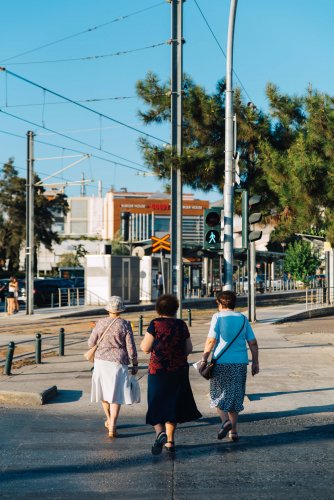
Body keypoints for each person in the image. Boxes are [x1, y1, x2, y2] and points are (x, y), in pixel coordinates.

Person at [140, 294, 201, 455]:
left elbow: (145, 348)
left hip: (158, 371)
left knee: (156, 403)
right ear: (176, 309)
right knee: (172, 405)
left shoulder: (155, 324)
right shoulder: (181, 325)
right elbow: (188, 349)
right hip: (178, 371)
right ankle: (170, 441)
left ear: (158, 309)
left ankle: (160, 433)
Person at [200, 290, 259, 442]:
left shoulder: (217, 317)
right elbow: (252, 342)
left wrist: (204, 358)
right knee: (236, 395)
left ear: (219, 303)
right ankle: (233, 432)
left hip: (221, 362)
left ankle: (225, 421)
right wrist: (255, 362)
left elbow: (211, 340)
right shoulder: (243, 318)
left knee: (217, 394)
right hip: (240, 363)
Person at [88, 296, 138, 438]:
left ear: (108, 309)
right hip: (119, 363)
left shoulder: (100, 323)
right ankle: (113, 426)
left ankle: (109, 419)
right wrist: (135, 363)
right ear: (121, 310)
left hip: (101, 361)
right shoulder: (125, 324)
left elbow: (91, 343)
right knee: (116, 394)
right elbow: (131, 347)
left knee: (103, 392)